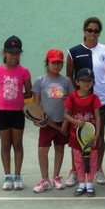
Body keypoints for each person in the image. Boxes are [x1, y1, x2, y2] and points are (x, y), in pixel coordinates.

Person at [66, 17, 105, 186]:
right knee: (77, 138)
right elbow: (69, 75)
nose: (93, 33)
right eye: (89, 30)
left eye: (96, 31)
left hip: (102, 101)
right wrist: (78, 96)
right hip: (80, 103)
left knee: (97, 136)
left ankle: (97, 169)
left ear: (100, 32)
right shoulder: (73, 52)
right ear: (84, 31)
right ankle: (75, 172)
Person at [0, 36, 32, 191]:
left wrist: (17, 94)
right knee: (5, 144)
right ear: (5, 53)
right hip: (1, 112)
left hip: (17, 114)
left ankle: (17, 175)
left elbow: (29, 92)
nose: (14, 56)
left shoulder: (24, 72)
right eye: (11, 53)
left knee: (17, 144)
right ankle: (7, 176)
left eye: (17, 53)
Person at [32, 49, 74, 193]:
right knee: (43, 149)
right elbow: (35, 104)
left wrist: (65, 123)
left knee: (60, 148)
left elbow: (71, 104)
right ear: (47, 63)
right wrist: (36, 120)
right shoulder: (40, 81)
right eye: (53, 63)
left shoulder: (66, 81)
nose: (56, 66)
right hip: (46, 124)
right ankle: (45, 179)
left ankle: (56, 176)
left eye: (59, 63)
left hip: (62, 123)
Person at [64, 68, 101, 197]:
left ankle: (90, 184)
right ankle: (81, 184)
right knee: (78, 161)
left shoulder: (94, 98)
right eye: (83, 80)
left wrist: (96, 135)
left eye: (89, 81)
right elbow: (65, 114)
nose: (86, 83)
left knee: (92, 160)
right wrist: (75, 120)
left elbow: (97, 117)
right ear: (77, 82)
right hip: (76, 137)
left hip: (90, 137)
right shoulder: (72, 97)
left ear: (93, 83)